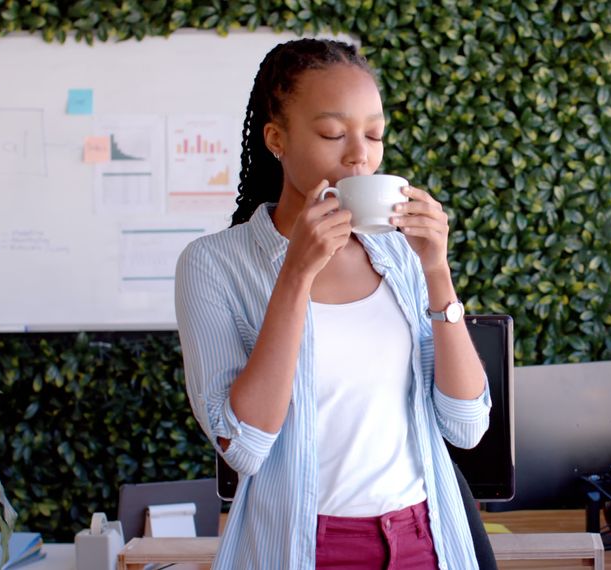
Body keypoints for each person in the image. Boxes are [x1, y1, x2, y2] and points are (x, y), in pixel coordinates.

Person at [174, 38, 491, 569]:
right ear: (277, 139)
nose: (358, 155)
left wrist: (437, 270)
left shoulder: (402, 256)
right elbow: (245, 445)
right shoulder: (213, 265)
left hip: (424, 538)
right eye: (332, 133)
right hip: (303, 546)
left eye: (374, 135)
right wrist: (295, 273)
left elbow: (466, 425)